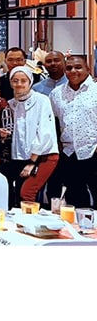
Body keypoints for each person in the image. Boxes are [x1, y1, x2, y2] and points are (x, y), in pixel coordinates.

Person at [0, 66, 58, 208]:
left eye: (23, 80)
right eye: (15, 80)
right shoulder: (11, 104)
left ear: (30, 81)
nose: (19, 84)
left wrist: (32, 162)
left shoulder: (42, 100)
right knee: (17, 194)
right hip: (20, 158)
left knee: (27, 193)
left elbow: (45, 132)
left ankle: (32, 225)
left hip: (43, 155)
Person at [49, 54, 97, 208]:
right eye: (69, 68)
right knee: (76, 199)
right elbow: (53, 123)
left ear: (87, 69)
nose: (73, 71)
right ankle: (81, 231)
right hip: (69, 154)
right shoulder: (56, 94)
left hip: (93, 151)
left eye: (78, 67)